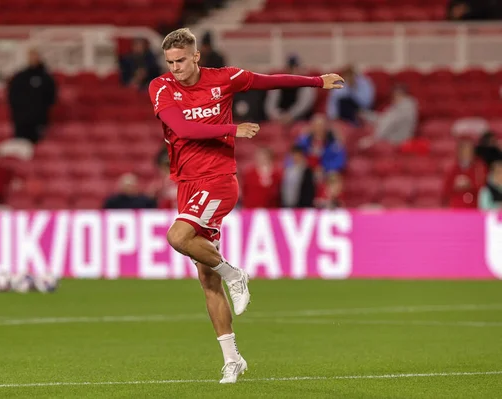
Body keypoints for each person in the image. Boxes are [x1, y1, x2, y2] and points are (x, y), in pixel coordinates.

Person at [148, 27, 344, 384]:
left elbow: (268, 81)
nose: (174, 68)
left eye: (180, 60)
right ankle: (232, 358)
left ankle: (235, 274)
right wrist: (230, 130)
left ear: (196, 56)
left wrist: (317, 82)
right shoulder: (161, 87)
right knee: (206, 278)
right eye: (169, 62)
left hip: (218, 179)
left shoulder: (224, 79)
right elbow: (181, 129)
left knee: (178, 236)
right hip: (187, 184)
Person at [8, 49, 57, 144]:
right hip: (21, 121)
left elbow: (51, 97)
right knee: (20, 145)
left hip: (39, 120)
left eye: (35, 55)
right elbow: (12, 96)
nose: (33, 58)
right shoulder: (20, 77)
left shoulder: (46, 78)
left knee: (38, 145)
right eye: (31, 56)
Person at [358, 83, 418, 148]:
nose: (392, 99)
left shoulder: (404, 108)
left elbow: (386, 122)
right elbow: (383, 118)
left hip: (395, 141)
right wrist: (365, 114)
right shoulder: (405, 106)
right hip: (396, 138)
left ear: (398, 94)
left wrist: (371, 140)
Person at [264, 55, 317, 124]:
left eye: (296, 68)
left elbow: (303, 105)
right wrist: (279, 116)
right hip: (279, 119)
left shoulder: (307, 84)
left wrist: (290, 115)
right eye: (291, 68)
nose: (294, 71)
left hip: (299, 119)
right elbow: (270, 106)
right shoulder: (278, 83)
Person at [442, 137, 487, 208]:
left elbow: (483, 189)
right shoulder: (452, 169)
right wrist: (455, 186)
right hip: (457, 206)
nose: (467, 153)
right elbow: (445, 191)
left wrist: (470, 185)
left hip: (474, 206)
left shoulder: (479, 168)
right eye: (464, 150)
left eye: (469, 150)